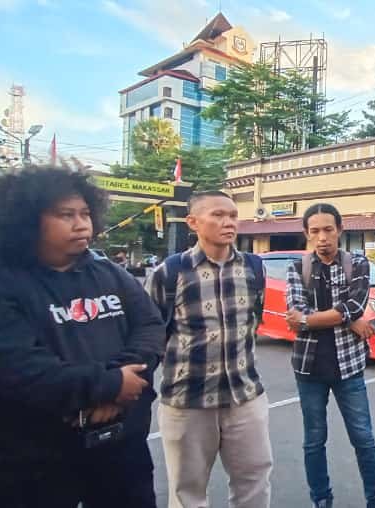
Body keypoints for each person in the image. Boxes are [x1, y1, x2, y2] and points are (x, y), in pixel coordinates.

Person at [0, 168, 165, 508]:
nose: (81, 224)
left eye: (85, 213)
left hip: (121, 448)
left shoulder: (109, 273)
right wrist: (108, 385)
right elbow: (19, 369)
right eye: (66, 215)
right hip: (31, 461)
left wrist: (119, 385)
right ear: (25, 221)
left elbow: (150, 327)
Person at [144, 191, 273, 508]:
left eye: (233, 215)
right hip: (188, 401)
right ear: (193, 222)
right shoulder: (170, 273)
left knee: (255, 484)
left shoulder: (254, 267)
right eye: (218, 215)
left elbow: (253, 322)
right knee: (187, 492)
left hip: (245, 397)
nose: (228, 222)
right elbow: (148, 336)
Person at [284, 203, 375, 508]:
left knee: (363, 438)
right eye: (315, 231)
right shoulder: (297, 267)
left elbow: (354, 305)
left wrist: (308, 319)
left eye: (328, 229)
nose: (322, 237)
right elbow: (296, 311)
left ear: (340, 230)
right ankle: (321, 498)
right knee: (314, 440)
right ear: (306, 233)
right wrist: (345, 318)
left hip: (349, 367)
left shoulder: (358, 264)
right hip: (308, 369)